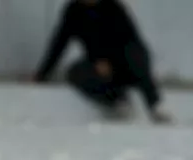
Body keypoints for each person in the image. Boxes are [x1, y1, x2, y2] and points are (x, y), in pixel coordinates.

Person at [32, 0, 171, 124]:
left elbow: (130, 40)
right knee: (75, 72)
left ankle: (154, 104)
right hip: (99, 68)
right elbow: (59, 43)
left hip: (125, 63)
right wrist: (42, 74)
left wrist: (108, 59)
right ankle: (117, 100)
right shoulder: (73, 11)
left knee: (135, 56)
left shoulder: (113, 7)